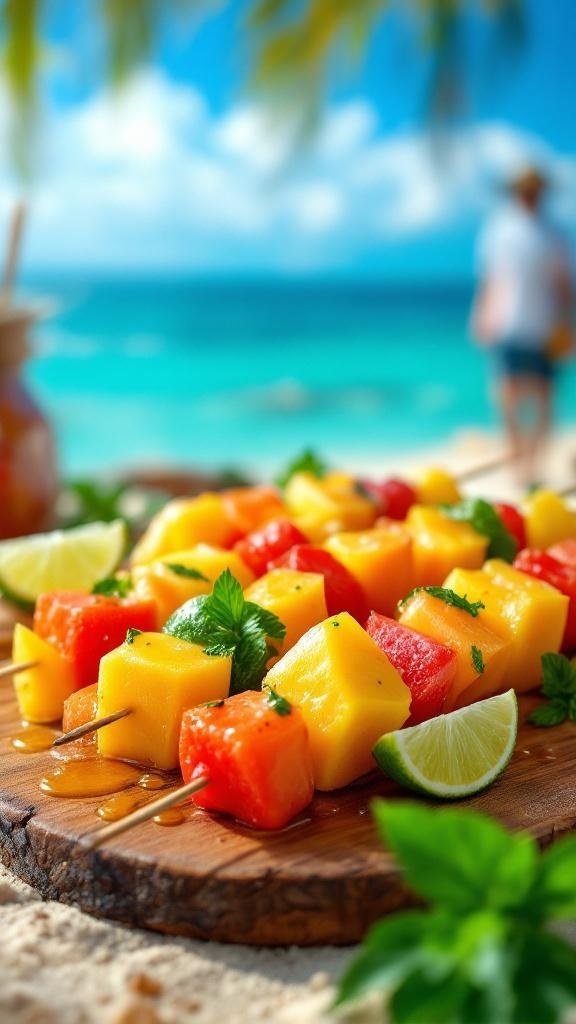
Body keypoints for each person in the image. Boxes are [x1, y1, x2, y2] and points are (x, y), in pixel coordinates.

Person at [471, 165, 573, 488]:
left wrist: (569, 325)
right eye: (524, 189)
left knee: (543, 397)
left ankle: (533, 465)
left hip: (544, 326)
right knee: (508, 398)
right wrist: (480, 315)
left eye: (534, 189)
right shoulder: (499, 229)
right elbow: (490, 278)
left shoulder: (553, 232)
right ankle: (519, 465)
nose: (529, 195)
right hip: (508, 323)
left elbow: (563, 285)